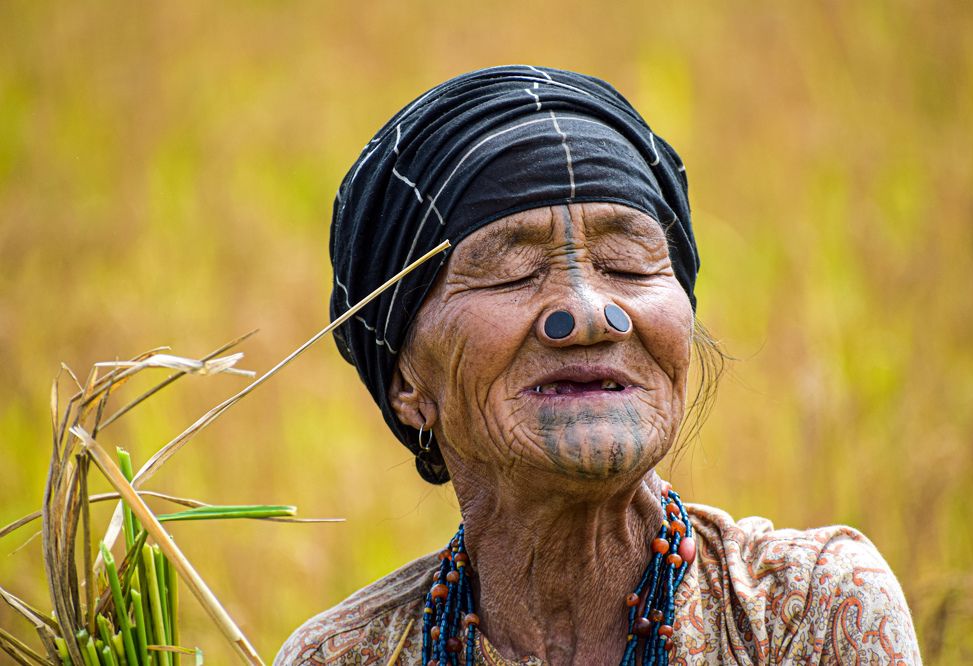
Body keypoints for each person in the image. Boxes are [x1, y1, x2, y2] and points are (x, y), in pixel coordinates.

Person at [276, 66, 920, 665]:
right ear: (407, 382)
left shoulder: (810, 611)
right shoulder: (345, 655)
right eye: (513, 272)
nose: (588, 314)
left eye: (628, 264)